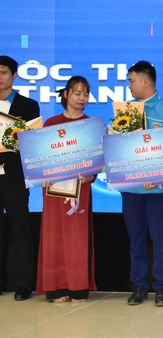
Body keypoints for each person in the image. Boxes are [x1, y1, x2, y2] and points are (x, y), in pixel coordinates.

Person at [123, 61, 163, 307]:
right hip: (131, 188)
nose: (129, 86)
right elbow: (117, 147)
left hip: (159, 188)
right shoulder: (124, 111)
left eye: (131, 81)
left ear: (145, 82)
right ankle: (138, 286)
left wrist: (159, 177)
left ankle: (161, 287)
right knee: (135, 239)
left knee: (160, 238)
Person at [37, 76, 97, 302]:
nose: (82, 98)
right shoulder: (51, 123)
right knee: (53, 235)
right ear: (66, 94)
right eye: (77, 93)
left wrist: (91, 175)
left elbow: (97, 161)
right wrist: (40, 175)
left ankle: (78, 286)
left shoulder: (91, 125)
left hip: (80, 189)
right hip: (53, 190)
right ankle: (55, 287)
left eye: (86, 94)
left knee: (77, 237)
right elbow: (39, 157)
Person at [0, 55, 40, 301]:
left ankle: (25, 283)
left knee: (20, 230)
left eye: (4, 72)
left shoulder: (28, 105)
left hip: (15, 176)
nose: (0, 77)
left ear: (14, 75)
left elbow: (32, 143)